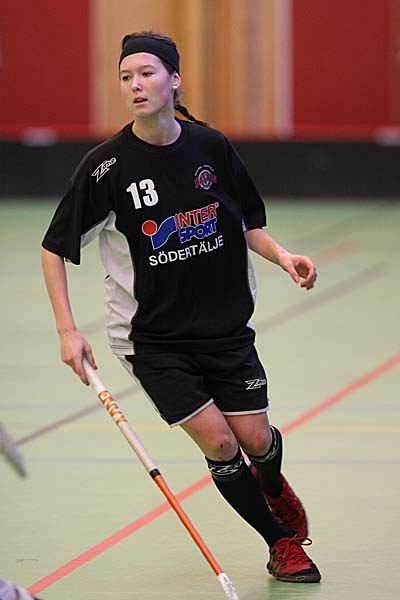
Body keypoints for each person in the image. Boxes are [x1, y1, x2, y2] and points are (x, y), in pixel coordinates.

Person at [41, 31, 321, 584]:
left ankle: (271, 483)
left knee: (258, 440)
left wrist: (283, 256)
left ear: (174, 80)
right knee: (220, 442)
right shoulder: (106, 168)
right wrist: (67, 331)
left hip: (224, 326)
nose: (135, 85)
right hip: (152, 339)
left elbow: (246, 222)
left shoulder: (211, 146)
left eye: (146, 73)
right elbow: (54, 249)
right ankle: (280, 543)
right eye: (126, 77)